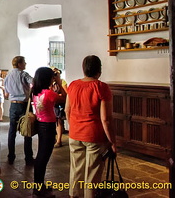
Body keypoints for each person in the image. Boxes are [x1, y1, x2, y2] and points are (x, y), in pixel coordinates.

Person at [65, 55, 116, 198]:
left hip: (75, 134)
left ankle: (74, 195)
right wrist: (112, 142)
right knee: (92, 173)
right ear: (99, 70)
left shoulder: (73, 85)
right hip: (94, 136)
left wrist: (74, 126)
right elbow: (106, 119)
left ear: (84, 69)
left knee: (76, 170)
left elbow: (67, 110)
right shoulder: (101, 87)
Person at [31, 67, 66, 197]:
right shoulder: (49, 93)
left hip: (40, 124)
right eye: (52, 77)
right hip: (48, 125)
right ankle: (38, 187)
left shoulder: (35, 91)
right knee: (43, 157)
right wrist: (60, 82)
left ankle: (39, 184)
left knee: (41, 155)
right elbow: (64, 98)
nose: (53, 79)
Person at [4, 56, 34, 165]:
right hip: (24, 105)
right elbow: (34, 82)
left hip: (13, 105)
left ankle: (11, 156)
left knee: (12, 131)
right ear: (20, 64)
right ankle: (28, 158)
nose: (25, 64)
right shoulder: (23, 74)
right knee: (27, 130)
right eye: (24, 62)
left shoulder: (8, 76)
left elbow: (6, 94)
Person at [51, 67, 68, 148]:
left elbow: (66, 94)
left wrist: (59, 83)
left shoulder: (62, 82)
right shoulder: (50, 82)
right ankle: (52, 139)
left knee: (59, 121)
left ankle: (59, 140)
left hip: (59, 105)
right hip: (51, 105)